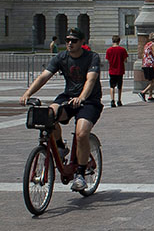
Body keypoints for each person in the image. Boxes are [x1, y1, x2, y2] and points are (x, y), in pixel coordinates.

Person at [20, 27, 102, 191]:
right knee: (49, 114)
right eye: (68, 40)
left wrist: (82, 97)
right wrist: (27, 93)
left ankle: (79, 174)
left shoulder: (91, 57)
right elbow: (44, 76)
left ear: (82, 42)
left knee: (81, 133)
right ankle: (60, 147)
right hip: (68, 97)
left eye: (74, 41)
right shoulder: (61, 57)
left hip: (89, 100)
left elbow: (91, 80)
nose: (70, 43)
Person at [105, 35, 128, 107]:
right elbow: (125, 60)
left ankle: (112, 100)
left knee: (112, 86)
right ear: (119, 41)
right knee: (119, 86)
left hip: (112, 70)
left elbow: (108, 59)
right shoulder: (122, 50)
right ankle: (119, 100)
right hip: (120, 70)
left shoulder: (109, 50)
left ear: (112, 41)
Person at [139, 32, 154, 101]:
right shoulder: (153, 44)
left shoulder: (147, 44)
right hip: (151, 64)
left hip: (145, 64)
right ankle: (143, 92)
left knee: (151, 80)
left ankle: (150, 96)